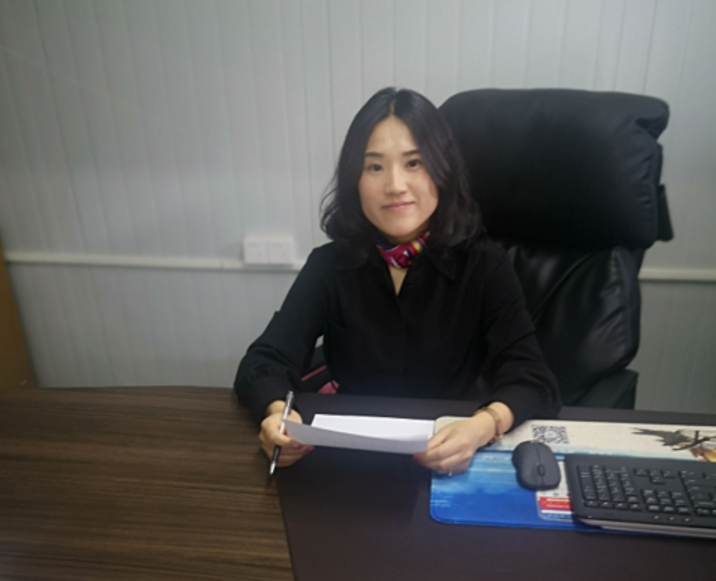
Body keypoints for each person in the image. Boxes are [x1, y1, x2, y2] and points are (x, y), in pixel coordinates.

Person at [234, 87, 560, 475]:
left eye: (414, 163)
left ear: (443, 170)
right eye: (374, 167)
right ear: (354, 180)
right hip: (354, 455)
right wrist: (277, 416)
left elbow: (533, 380)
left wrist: (481, 427)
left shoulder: (485, 265)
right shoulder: (329, 264)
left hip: (449, 451)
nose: (394, 185)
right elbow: (264, 360)